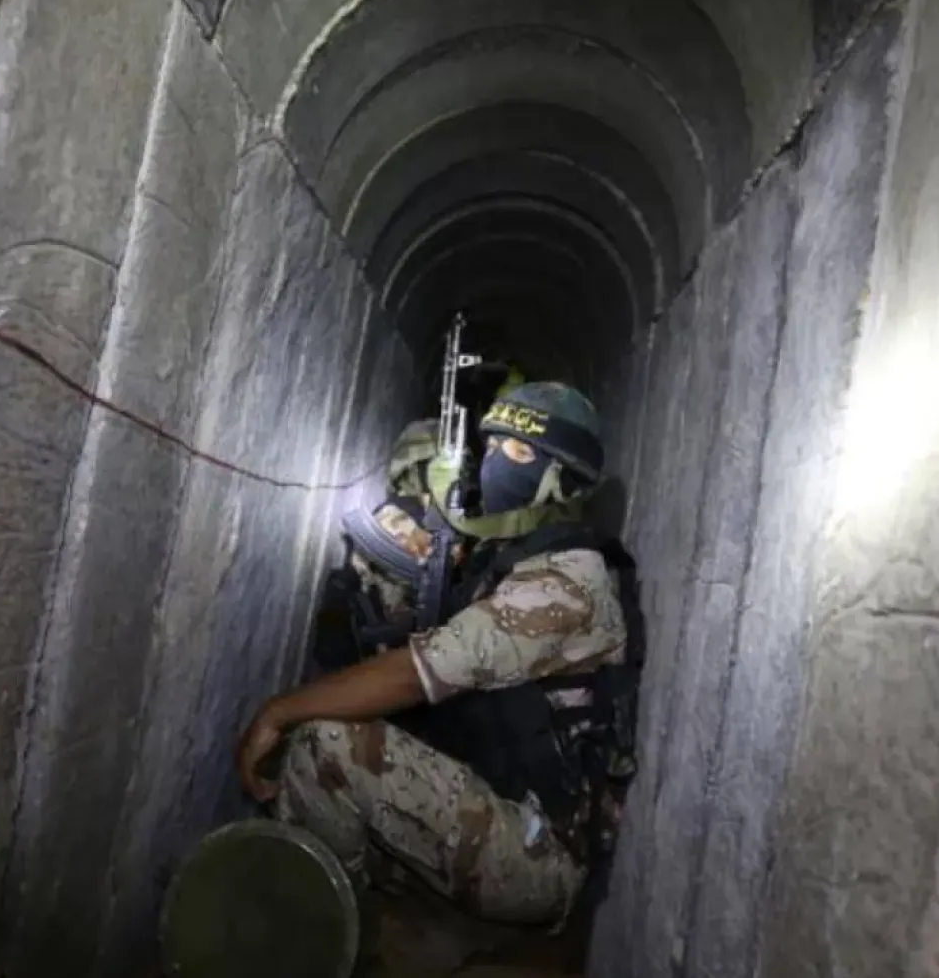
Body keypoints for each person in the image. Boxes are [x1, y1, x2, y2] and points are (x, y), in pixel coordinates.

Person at [237, 382, 641, 926]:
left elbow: (417, 673)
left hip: (541, 854)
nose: (498, 463)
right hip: (496, 788)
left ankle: (330, 932)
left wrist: (276, 712)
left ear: (558, 481)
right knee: (331, 766)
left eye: (518, 453)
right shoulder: (516, 557)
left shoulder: (565, 585)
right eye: (493, 447)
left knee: (327, 742)